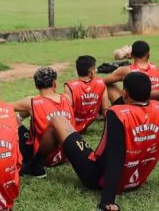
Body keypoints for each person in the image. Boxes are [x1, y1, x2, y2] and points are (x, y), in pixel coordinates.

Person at [45, 72, 159, 211]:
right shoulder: (156, 108)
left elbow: (115, 158)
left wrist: (107, 201)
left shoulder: (117, 114)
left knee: (58, 120)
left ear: (125, 93)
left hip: (97, 177)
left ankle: (34, 166)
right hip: (138, 178)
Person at [11, 67, 75, 176]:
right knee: (30, 110)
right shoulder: (66, 98)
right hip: (66, 155)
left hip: (42, 158)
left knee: (15, 118)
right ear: (55, 83)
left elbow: (5, 109)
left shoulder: (32, 101)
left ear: (36, 85)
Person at [64, 55, 109, 132]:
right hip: (87, 123)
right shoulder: (101, 84)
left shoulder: (70, 86)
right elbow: (106, 111)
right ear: (91, 71)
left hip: (71, 128)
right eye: (94, 69)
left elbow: (67, 113)